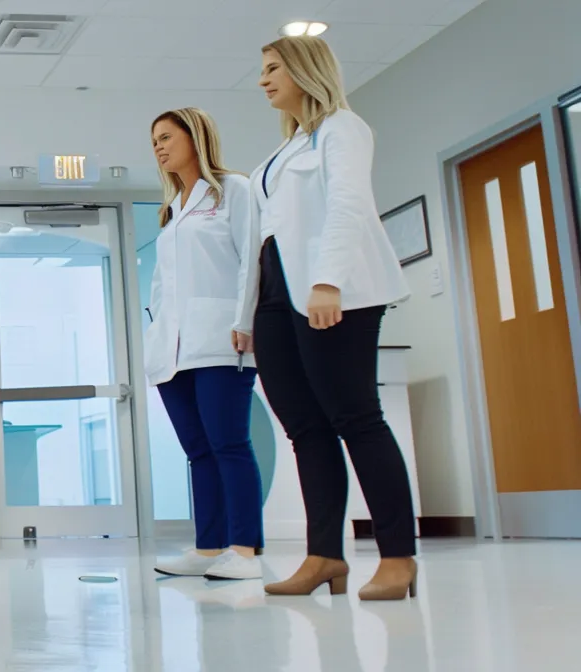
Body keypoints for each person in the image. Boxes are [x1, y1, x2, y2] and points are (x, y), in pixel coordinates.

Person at [240, 36, 417, 600]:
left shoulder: (343, 127)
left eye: (273, 69)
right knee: (305, 427)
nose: (263, 80)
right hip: (277, 294)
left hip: (329, 290)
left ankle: (397, 557)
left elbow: (347, 204)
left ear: (303, 70)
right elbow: (267, 236)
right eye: (262, 70)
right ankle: (324, 556)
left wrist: (328, 280)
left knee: (357, 416)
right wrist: (249, 312)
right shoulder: (281, 152)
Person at [144, 107, 265, 581]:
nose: (158, 146)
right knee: (198, 450)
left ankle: (245, 551)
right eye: (154, 140)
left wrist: (244, 319)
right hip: (174, 349)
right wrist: (155, 337)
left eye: (167, 136)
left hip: (221, 338)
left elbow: (250, 259)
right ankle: (209, 548)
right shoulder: (173, 208)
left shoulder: (233, 190)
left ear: (196, 138)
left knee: (229, 443)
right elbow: (162, 286)